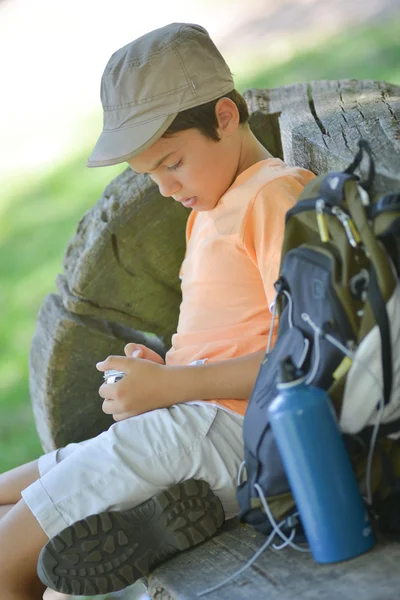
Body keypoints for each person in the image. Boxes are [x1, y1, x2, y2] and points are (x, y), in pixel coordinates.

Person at [0, 22, 315, 599]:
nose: (166, 189)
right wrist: (164, 366)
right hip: (193, 418)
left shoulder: (273, 194)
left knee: (6, 560)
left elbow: (304, 354)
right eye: (150, 175)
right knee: (8, 499)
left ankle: (151, 516)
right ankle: (149, 521)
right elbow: (239, 334)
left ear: (224, 116)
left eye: (172, 163)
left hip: (232, 430)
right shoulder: (214, 207)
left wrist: (172, 384)